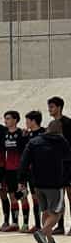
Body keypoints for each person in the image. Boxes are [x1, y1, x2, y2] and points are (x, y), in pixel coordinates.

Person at [19, 119, 71, 243]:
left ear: (47, 129)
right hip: (55, 183)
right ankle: (42, 233)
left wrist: (21, 181)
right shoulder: (61, 141)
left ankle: (50, 241)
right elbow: (67, 157)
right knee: (57, 212)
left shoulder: (34, 141)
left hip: (37, 183)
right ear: (60, 131)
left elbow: (24, 162)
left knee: (45, 211)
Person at [47, 96, 71, 235]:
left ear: (59, 107)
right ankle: (60, 226)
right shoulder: (52, 124)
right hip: (57, 166)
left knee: (69, 195)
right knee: (58, 197)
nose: (50, 109)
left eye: (52, 107)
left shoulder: (68, 123)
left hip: (68, 164)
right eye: (49, 107)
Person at [3, 110, 29, 232]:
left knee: (22, 196)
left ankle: (25, 223)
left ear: (15, 120)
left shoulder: (21, 133)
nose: (6, 121)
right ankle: (14, 223)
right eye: (5, 119)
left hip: (19, 170)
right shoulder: (5, 134)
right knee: (12, 196)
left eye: (8, 118)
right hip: (8, 169)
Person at [25, 110, 46, 232]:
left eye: (27, 121)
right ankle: (38, 225)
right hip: (31, 171)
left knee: (45, 198)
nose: (26, 123)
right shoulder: (27, 135)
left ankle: (51, 225)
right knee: (34, 198)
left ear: (33, 121)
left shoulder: (44, 133)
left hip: (42, 170)